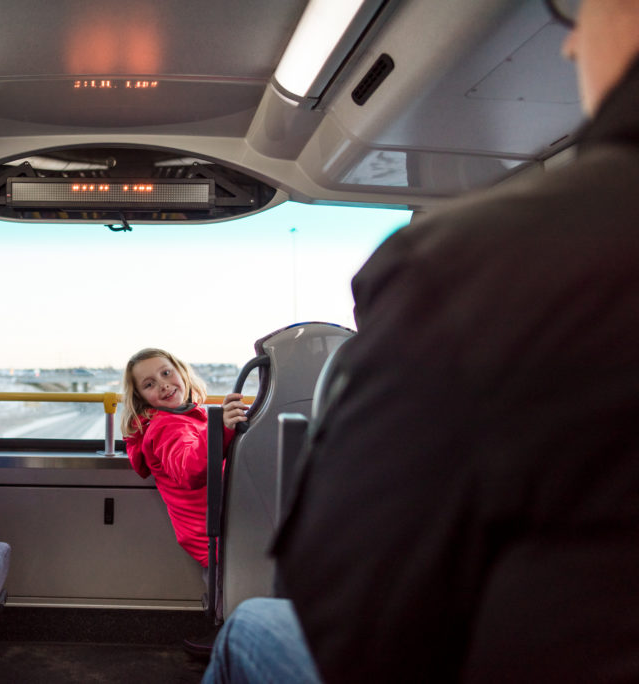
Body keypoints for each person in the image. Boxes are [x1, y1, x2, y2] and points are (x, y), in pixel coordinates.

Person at [206, 1, 639, 681]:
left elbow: (357, 612)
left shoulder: (465, 271)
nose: (570, 45)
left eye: (575, 10)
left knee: (252, 624)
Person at [121, 348, 248, 655]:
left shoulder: (195, 416)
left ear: (182, 373)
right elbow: (190, 468)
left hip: (222, 524)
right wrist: (223, 429)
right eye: (149, 384)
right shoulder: (165, 427)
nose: (163, 385)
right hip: (214, 533)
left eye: (166, 373)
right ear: (141, 398)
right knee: (232, 594)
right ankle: (233, 646)